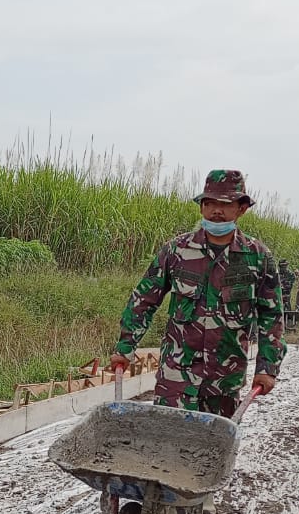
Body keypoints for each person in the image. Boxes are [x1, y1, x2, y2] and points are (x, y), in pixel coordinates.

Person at [109, 169, 284, 419]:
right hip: (176, 376)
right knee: (166, 443)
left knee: (212, 449)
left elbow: (271, 316)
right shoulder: (176, 251)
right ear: (201, 207)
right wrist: (125, 346)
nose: (217, 211)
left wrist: (268, 367)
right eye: (210, 203)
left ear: (241, 208)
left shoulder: (257, 257)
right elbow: (144, 300)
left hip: (224, 380)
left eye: (225, 204)